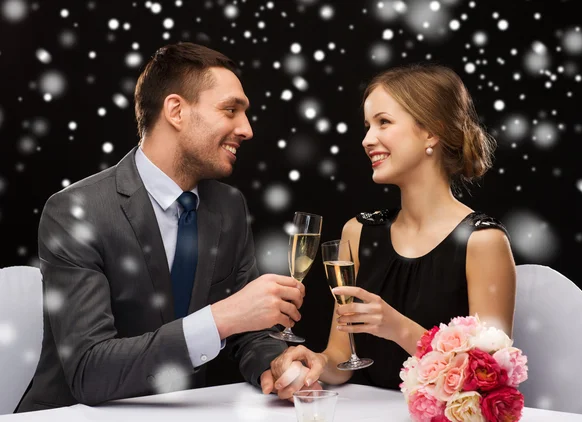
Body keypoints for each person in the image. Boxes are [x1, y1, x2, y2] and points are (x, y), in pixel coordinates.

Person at [16, 42, 312, 412]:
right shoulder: (76, 211)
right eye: (230, 110)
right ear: (176, 111)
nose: (247, 129)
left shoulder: (228, 207)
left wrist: (276, 363)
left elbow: (247, 334)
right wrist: (219, 319)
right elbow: (89, 371)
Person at [269, 64, 516, 392]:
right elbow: (342, 358)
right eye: (368, 126)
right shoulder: (357, 232)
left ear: (431, 132)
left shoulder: (484, 242)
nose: (367, 139)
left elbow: (487, 380)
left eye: (383, 122)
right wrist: (315, 362)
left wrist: (396, 326)